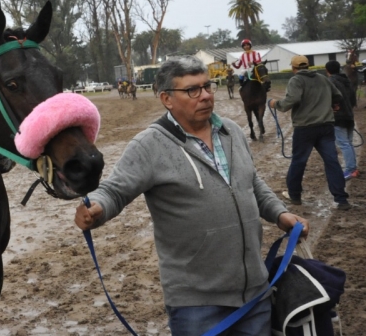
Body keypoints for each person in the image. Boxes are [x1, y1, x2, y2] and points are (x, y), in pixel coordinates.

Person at [75, 55, 308, 335]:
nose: (206, 96)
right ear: (166, 99)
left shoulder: (231, 131)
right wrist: (97, 209)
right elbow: (115, 189)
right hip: (196, 304)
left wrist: (280, 214)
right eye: (192, 90)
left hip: (255, 294)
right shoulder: (149, 144)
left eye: (207, 86)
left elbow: (252, 183)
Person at [267, 55, 351, 210]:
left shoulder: (296, 80)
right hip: (325, 127)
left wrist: (275, 103)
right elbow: (337, 95)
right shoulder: (322, 78)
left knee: (299, 161)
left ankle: (295, 195)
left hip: (305, 128)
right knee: (332, 161)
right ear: (308, 66)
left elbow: (290, 101)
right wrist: (333, 105)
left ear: (294, 68)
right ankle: (341, 199)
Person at [325, 60, 359, 180]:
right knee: (348, 143)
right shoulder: (347, 80)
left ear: (327, 70)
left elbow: (330, 99)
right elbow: (353, 99)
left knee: (344, 144)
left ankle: (350, 169)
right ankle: (353, 168)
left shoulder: (330, 81)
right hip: (349, 115)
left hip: (338, 116)